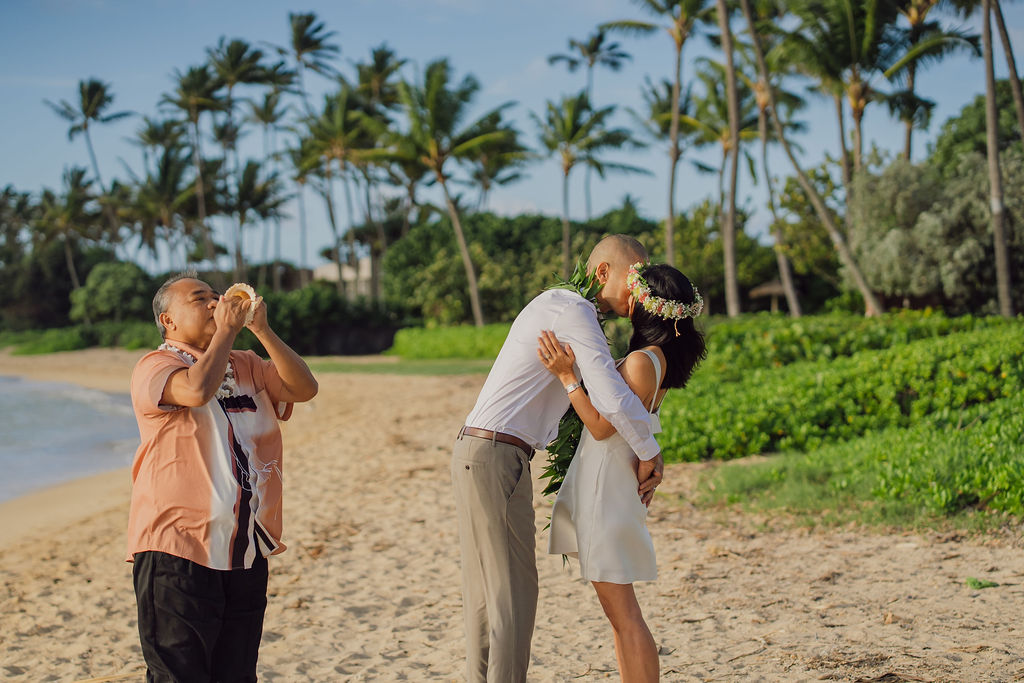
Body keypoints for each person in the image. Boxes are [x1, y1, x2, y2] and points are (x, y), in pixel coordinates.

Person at [451, 235, 666, 683]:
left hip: (480, 449)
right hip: (496, 454)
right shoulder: (574, 311)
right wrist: (651, 450)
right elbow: (609, 397)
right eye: (636, 277)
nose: (641, 290)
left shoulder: (560, 307)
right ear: (603, 273)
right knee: (512, 596)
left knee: (486, 600)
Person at [126, 272, 318, 682]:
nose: (215, 303)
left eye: (217, 296)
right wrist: (227, 333)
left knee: (236, 673)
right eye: (200, 299)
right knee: (179, 675)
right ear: (168, 322)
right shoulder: (155, 365)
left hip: (245, 546)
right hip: (176, 546)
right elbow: (196, 392)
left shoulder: (246, 363)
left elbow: (304, 388)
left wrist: (261, 331)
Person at [538, 262, 706, 683]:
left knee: (625, 617)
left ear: (647, 307)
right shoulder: (655, 359)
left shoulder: (640, 362)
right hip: (612, 489)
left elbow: (599, 426)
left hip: (605, 494)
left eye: (635, 295)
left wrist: (567, 377)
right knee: (620, 617)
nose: (627, 302)